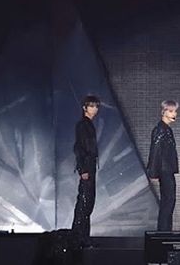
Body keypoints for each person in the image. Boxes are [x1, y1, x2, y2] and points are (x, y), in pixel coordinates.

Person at [71, 95, 100, 248]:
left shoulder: (88, 125)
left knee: (87, 203)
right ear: (85, 108)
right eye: (91, 106)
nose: (95, 109)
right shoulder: (83, 125)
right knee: (84, 202)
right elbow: (79, 148)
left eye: (96, 106)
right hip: (87, 167)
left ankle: (82, 238)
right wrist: (83, 169)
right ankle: (78, 238)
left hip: (90, 166)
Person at [147, 100, 180, 231]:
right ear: (163, 112)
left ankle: (165, 232)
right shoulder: (160, 129)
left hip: (167, 170)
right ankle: (164, 232)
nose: (174, 114)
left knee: (169, 201)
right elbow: (155, 150)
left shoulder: (166, 129)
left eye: (175, 111)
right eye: (171, 111)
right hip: (164, 170)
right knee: (168, 201)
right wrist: (152, 172)